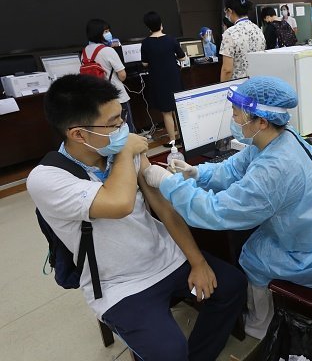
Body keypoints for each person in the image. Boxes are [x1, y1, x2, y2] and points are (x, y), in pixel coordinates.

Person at [27, 74, 247, 361]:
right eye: (114, 123)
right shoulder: (47, 178)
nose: (124, 128)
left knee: (232, 285)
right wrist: (127, 149)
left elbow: (162, 206)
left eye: (123, 118)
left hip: (166, 258)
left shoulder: (116, 150)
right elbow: (120, 203)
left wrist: (198, 261)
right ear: (78, 133)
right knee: (168, 352)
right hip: (118, 285)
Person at [142, 76, 312, 339]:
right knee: (253, 235)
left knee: (251, 254)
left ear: (261, 121)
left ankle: (260, 325)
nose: (234, 120)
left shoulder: (273, 169)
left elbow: (215, 211)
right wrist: (196, 173)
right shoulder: (280, 136)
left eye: (237, 115)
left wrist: (168, 184)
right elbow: (235, 167)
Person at [141, 11, 187, 147]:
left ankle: (172, 141)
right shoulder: (171, 39)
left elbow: (144, 63)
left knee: (167, 112)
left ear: (148, 27)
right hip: (173, 77)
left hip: (158, 80)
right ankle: (183, 138)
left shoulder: (146, 43)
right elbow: (182, 57)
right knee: (177, 109)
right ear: (161, 24)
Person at [83, 19, 135, 133]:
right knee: (127, 129)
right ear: (98, 33)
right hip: (117, 96)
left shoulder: (85, 52)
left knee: (112, 131)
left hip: (99, 98)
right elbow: (122, 76)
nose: (108, 33)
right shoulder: (107, 50)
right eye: (105, 31)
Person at [219, 0, 266, 81]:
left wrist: (222, 89)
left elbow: (227, 70)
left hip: (239, 87)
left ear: (229, 11)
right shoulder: (257, 29)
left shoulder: (230, 33)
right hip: (257, 83)